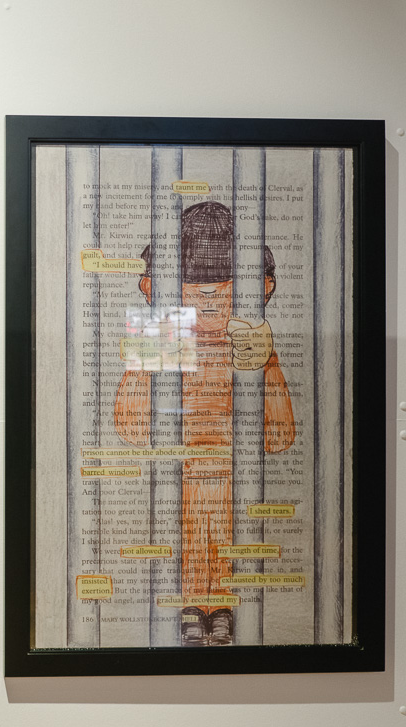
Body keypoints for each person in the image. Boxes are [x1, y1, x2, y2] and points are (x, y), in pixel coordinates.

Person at [114, 201, 295, 646]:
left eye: (223, 287)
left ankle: (219, 609)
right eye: (195, 288)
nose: (210, 299)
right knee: (190, 534)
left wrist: (266, 362)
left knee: (224, 533)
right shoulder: (164, 335)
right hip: (181, 469)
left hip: (233, 471)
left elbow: (278, 437)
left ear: (262, 287)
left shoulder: (252, 343)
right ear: (153, 287)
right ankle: (195, 607)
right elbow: (131, 427)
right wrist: (150, 354)